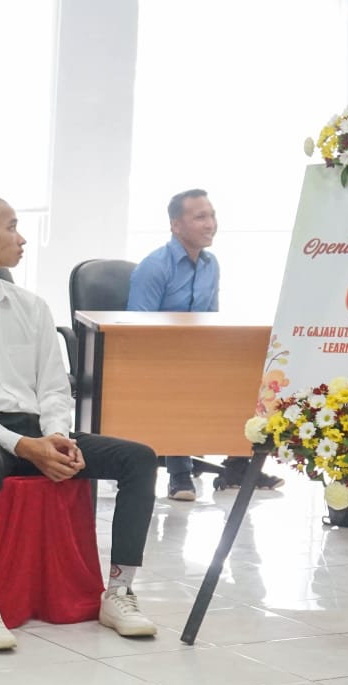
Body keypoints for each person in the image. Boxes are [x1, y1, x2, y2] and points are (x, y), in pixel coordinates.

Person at [0, 194, 160, 647]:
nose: (22, 238)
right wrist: (24, 447)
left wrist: (56, 437)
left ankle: (120, 590)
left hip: (38, 429)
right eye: (11, 227)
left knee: (139, 458)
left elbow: (53, 387)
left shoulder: (32, 307)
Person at [127, 188, 281, 500]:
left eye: (212, 215)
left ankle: (239, 465)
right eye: (200, 217)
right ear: (176, 225)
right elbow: (136, 330)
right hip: (157, 360)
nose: (210, 224)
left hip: (195, 355)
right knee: (181, 382)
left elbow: (211, 320)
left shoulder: (211, 265)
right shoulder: (155, 266)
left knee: (251, 375)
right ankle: (179, 474)